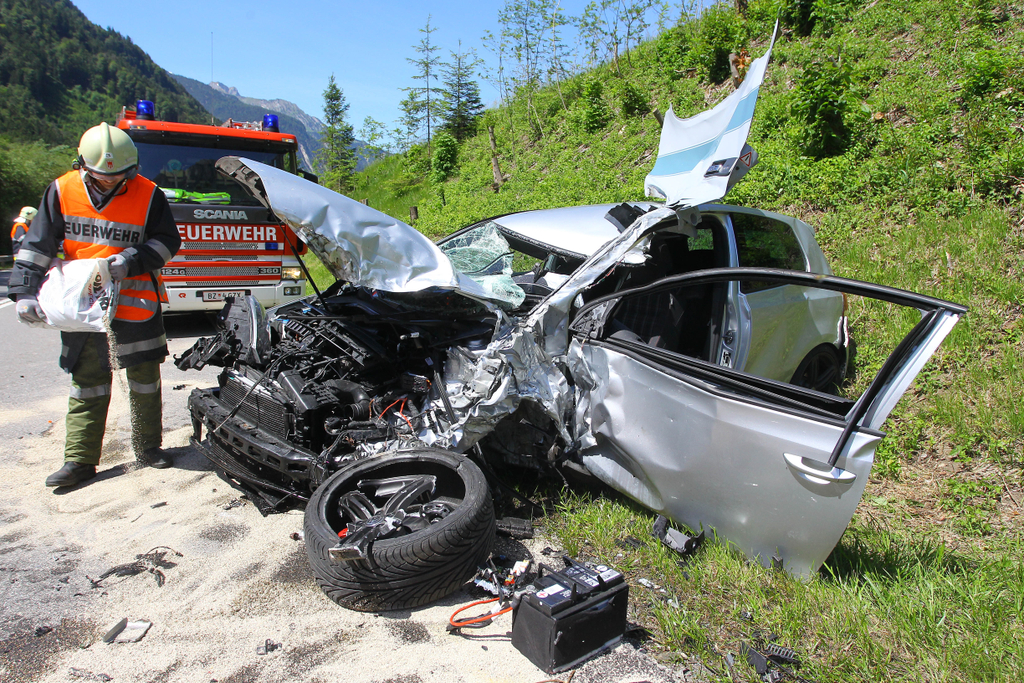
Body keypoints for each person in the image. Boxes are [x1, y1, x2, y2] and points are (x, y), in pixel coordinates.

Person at [8, 122, 182, 488]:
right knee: (87, 382)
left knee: (144, 380)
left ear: (132, 169)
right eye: (103, 177)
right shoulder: (61, 190)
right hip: (83, 305)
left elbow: (167, 241)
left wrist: (130, 261)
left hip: (136, 305)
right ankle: (79, 460)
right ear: (82, 166)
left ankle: (148, 448)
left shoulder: (149, 194)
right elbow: (37, 246)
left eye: (119, 177)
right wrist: (24, 292)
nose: (111, 182)